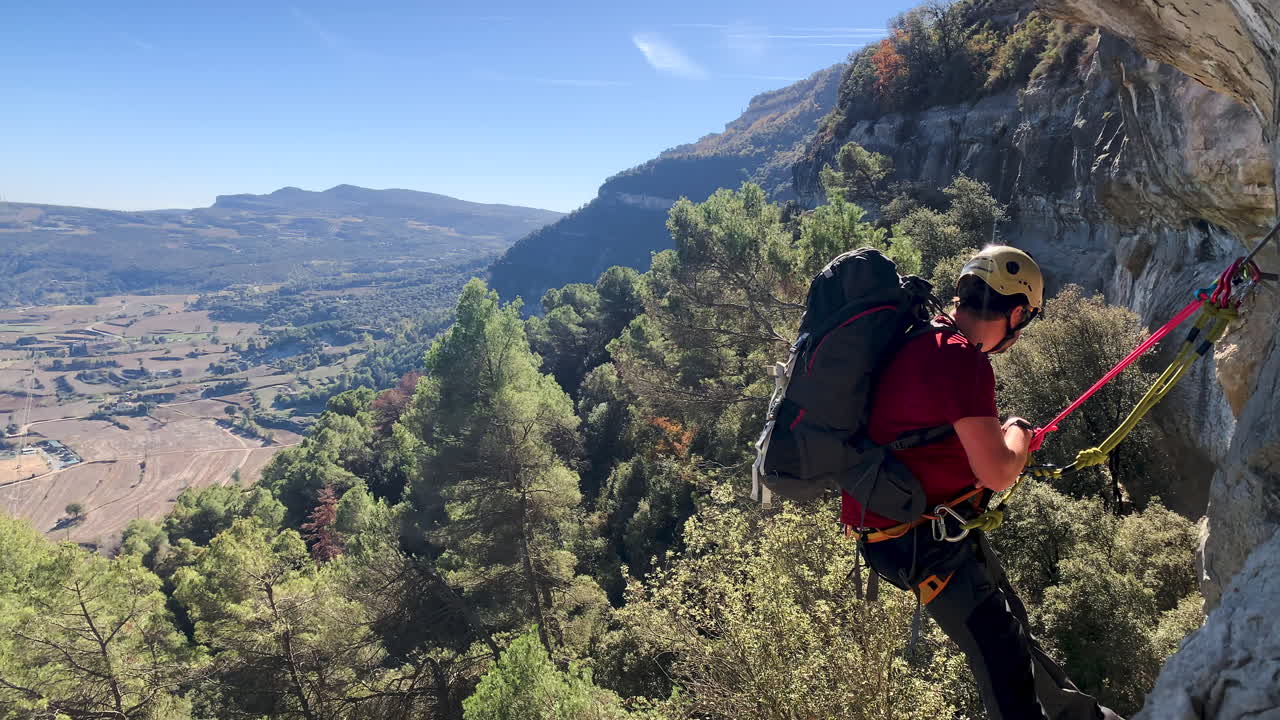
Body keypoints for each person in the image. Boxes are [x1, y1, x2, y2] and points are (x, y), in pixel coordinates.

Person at [845, 245, 1123, 720]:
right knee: (1003, 660)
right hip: (922, 543)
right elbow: (998, 470)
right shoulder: (962, 361)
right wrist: (1018, 432)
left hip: (917, 529)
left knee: (1012, 632)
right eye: (1026, 320)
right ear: (1015, 313)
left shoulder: (922, 339)